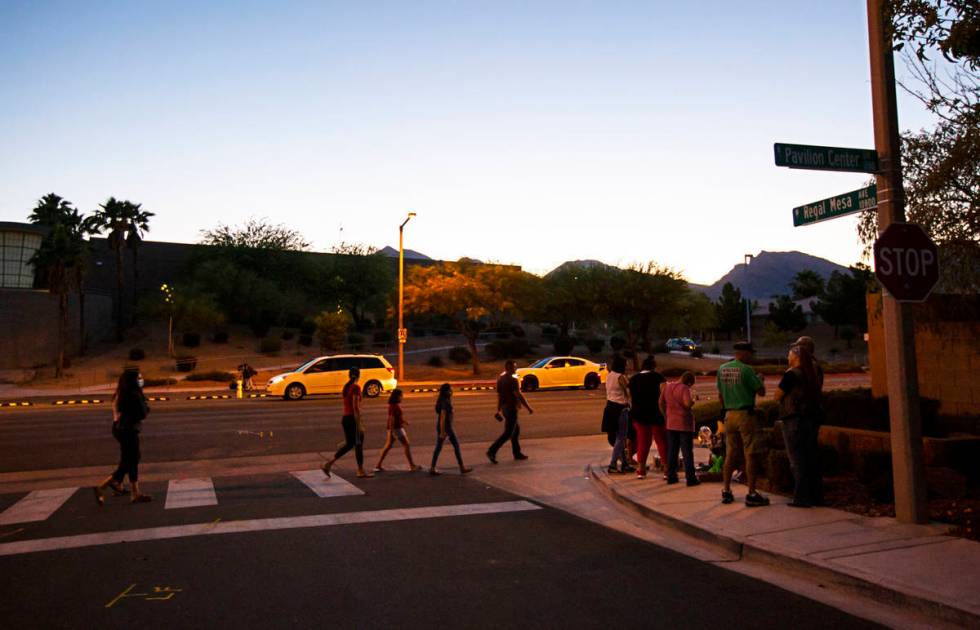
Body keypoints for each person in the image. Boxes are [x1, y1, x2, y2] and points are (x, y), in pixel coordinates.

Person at [716, 341, 768, 507]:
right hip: (745, 414)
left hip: (729, 415)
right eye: (750, 353)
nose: (752, 356)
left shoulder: (722, 369)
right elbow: (761, 391)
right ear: (744, 353)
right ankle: (751, 493)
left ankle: (726, 490)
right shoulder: (747, 370)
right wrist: (760, 379)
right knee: (750, 453)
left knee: (731, 453)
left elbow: (720, 396)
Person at [93, 369, 152, 505]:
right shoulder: (132, 395)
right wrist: (143, 404)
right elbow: (143, 412)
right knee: (132, 460)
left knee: (129, 459)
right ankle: (104, 486)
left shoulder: (122, 394)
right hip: (128, 430)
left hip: (121, 428)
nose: (141, 380)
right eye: (139, 378)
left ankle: (121, 486)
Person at [775, 344, 823, 507]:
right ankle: (816, 495)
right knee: (811, 458)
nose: (788, 357)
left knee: (796, 460)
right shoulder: (812, 373)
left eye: (789, 355)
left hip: (793, 420)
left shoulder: (791, 374)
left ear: (795, 357)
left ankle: (801, 497)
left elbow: (777, 395)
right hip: (810, 419)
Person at [322, 367, 373, 479]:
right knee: (358, 444)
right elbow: (355, 406)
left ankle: (329, 464)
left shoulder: (347, 387)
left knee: (350, 444)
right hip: (352, 419)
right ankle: (360, 470)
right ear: (358, 376)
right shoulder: (355, 387)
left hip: (345, 418)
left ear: (349, 375)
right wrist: (359, 422)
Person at [792, 335, 825, 505]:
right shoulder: (814, 366)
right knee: (808, 455)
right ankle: (813, 494)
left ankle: (806, 496)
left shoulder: (808, 368)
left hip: (806, 416)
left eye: (797, 348)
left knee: (805, 456)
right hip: (811, 414)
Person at [487, 359, 534, 463]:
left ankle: (517, 453)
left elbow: (499, 396)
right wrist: (528, 407)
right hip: (511, 408)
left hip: (505, 408)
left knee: (515, 431)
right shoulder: (513, 380)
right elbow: (518, 394)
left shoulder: (501, 379)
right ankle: (492, 451)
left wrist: (498, 409)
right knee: (508, 433)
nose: (515, 369)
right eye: (514, 367)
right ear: (508, 368)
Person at [628, 355, 666, 479]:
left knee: (643, 442)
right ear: (653, 367)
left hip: (639, 414)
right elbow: (664, 396)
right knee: (662, 441)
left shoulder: (633, 379)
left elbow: (630, 397)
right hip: (656, 413)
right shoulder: (658, 378)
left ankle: (641, 469)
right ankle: (667, 469)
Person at [660, 371, 701, 486]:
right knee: (687, 452)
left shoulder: (667, 387)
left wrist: (666, 415)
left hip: (671, 423)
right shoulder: (684, 388)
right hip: (683, 424)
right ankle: (691, 478)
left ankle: (671, 476)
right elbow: (687, 404)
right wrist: (693, 401)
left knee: (672, 451)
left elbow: (660, 402)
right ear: (689, 382)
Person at [429, 383, 473, 475]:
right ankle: (461, 468)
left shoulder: (443, 400)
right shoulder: (445, 401)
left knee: (440, 447)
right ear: (446, 391)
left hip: (446, 427)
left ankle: (433, 467)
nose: (451, 391)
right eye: (450, 389)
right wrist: (442, 431)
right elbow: (443, 417)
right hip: (446, 427)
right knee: (454, 446)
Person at [374, 389, 418, 472]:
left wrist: (404, 421)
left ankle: (378, 464)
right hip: (396, 428)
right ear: (397, 396)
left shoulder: (394, 405)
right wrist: (391, 432)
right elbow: (392, 419)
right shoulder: (394, 406)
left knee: (388, 446)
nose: (402, 397)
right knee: (406, 445)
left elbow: (397, 417)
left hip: (396, 427)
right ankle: (412, 465)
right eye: (401, 395)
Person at [603, 355, 633, 474]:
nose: (627, 366)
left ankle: (624, 464)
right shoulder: (621, 377)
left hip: (610, 406)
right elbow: (629, 389)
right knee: (621, 437)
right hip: (621, 408)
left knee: (617, 437)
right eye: (626, 364)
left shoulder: (609, 375)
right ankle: (613, 464)